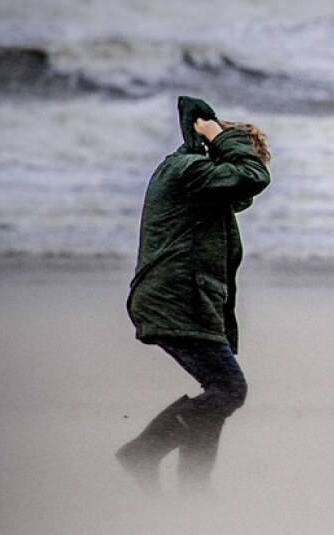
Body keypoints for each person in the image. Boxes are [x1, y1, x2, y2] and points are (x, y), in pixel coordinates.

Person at [117, 96, 271, 493]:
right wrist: (220, 135)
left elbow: (245, 184)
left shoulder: (202, 186)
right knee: (229, 389)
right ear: (223, 150)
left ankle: (194, 488)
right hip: (173, 300)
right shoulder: (189, 170)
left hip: (186, 302)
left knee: (217, 394)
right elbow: (252, 176)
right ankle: (144, 452)